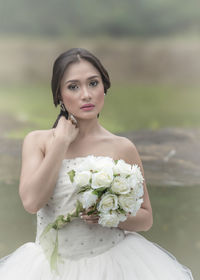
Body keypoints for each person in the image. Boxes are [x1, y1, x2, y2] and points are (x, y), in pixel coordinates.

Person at [0, 48, 194, 279]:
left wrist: (108, 216)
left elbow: (146, 218)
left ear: (104, 87)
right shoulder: (38, 142)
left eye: (93, 83)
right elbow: (32, 202)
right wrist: (60, 143)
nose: (86, 95)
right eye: (73, 86)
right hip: (50, 268)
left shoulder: (122, 147)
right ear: (59, 95)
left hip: (113, 264)